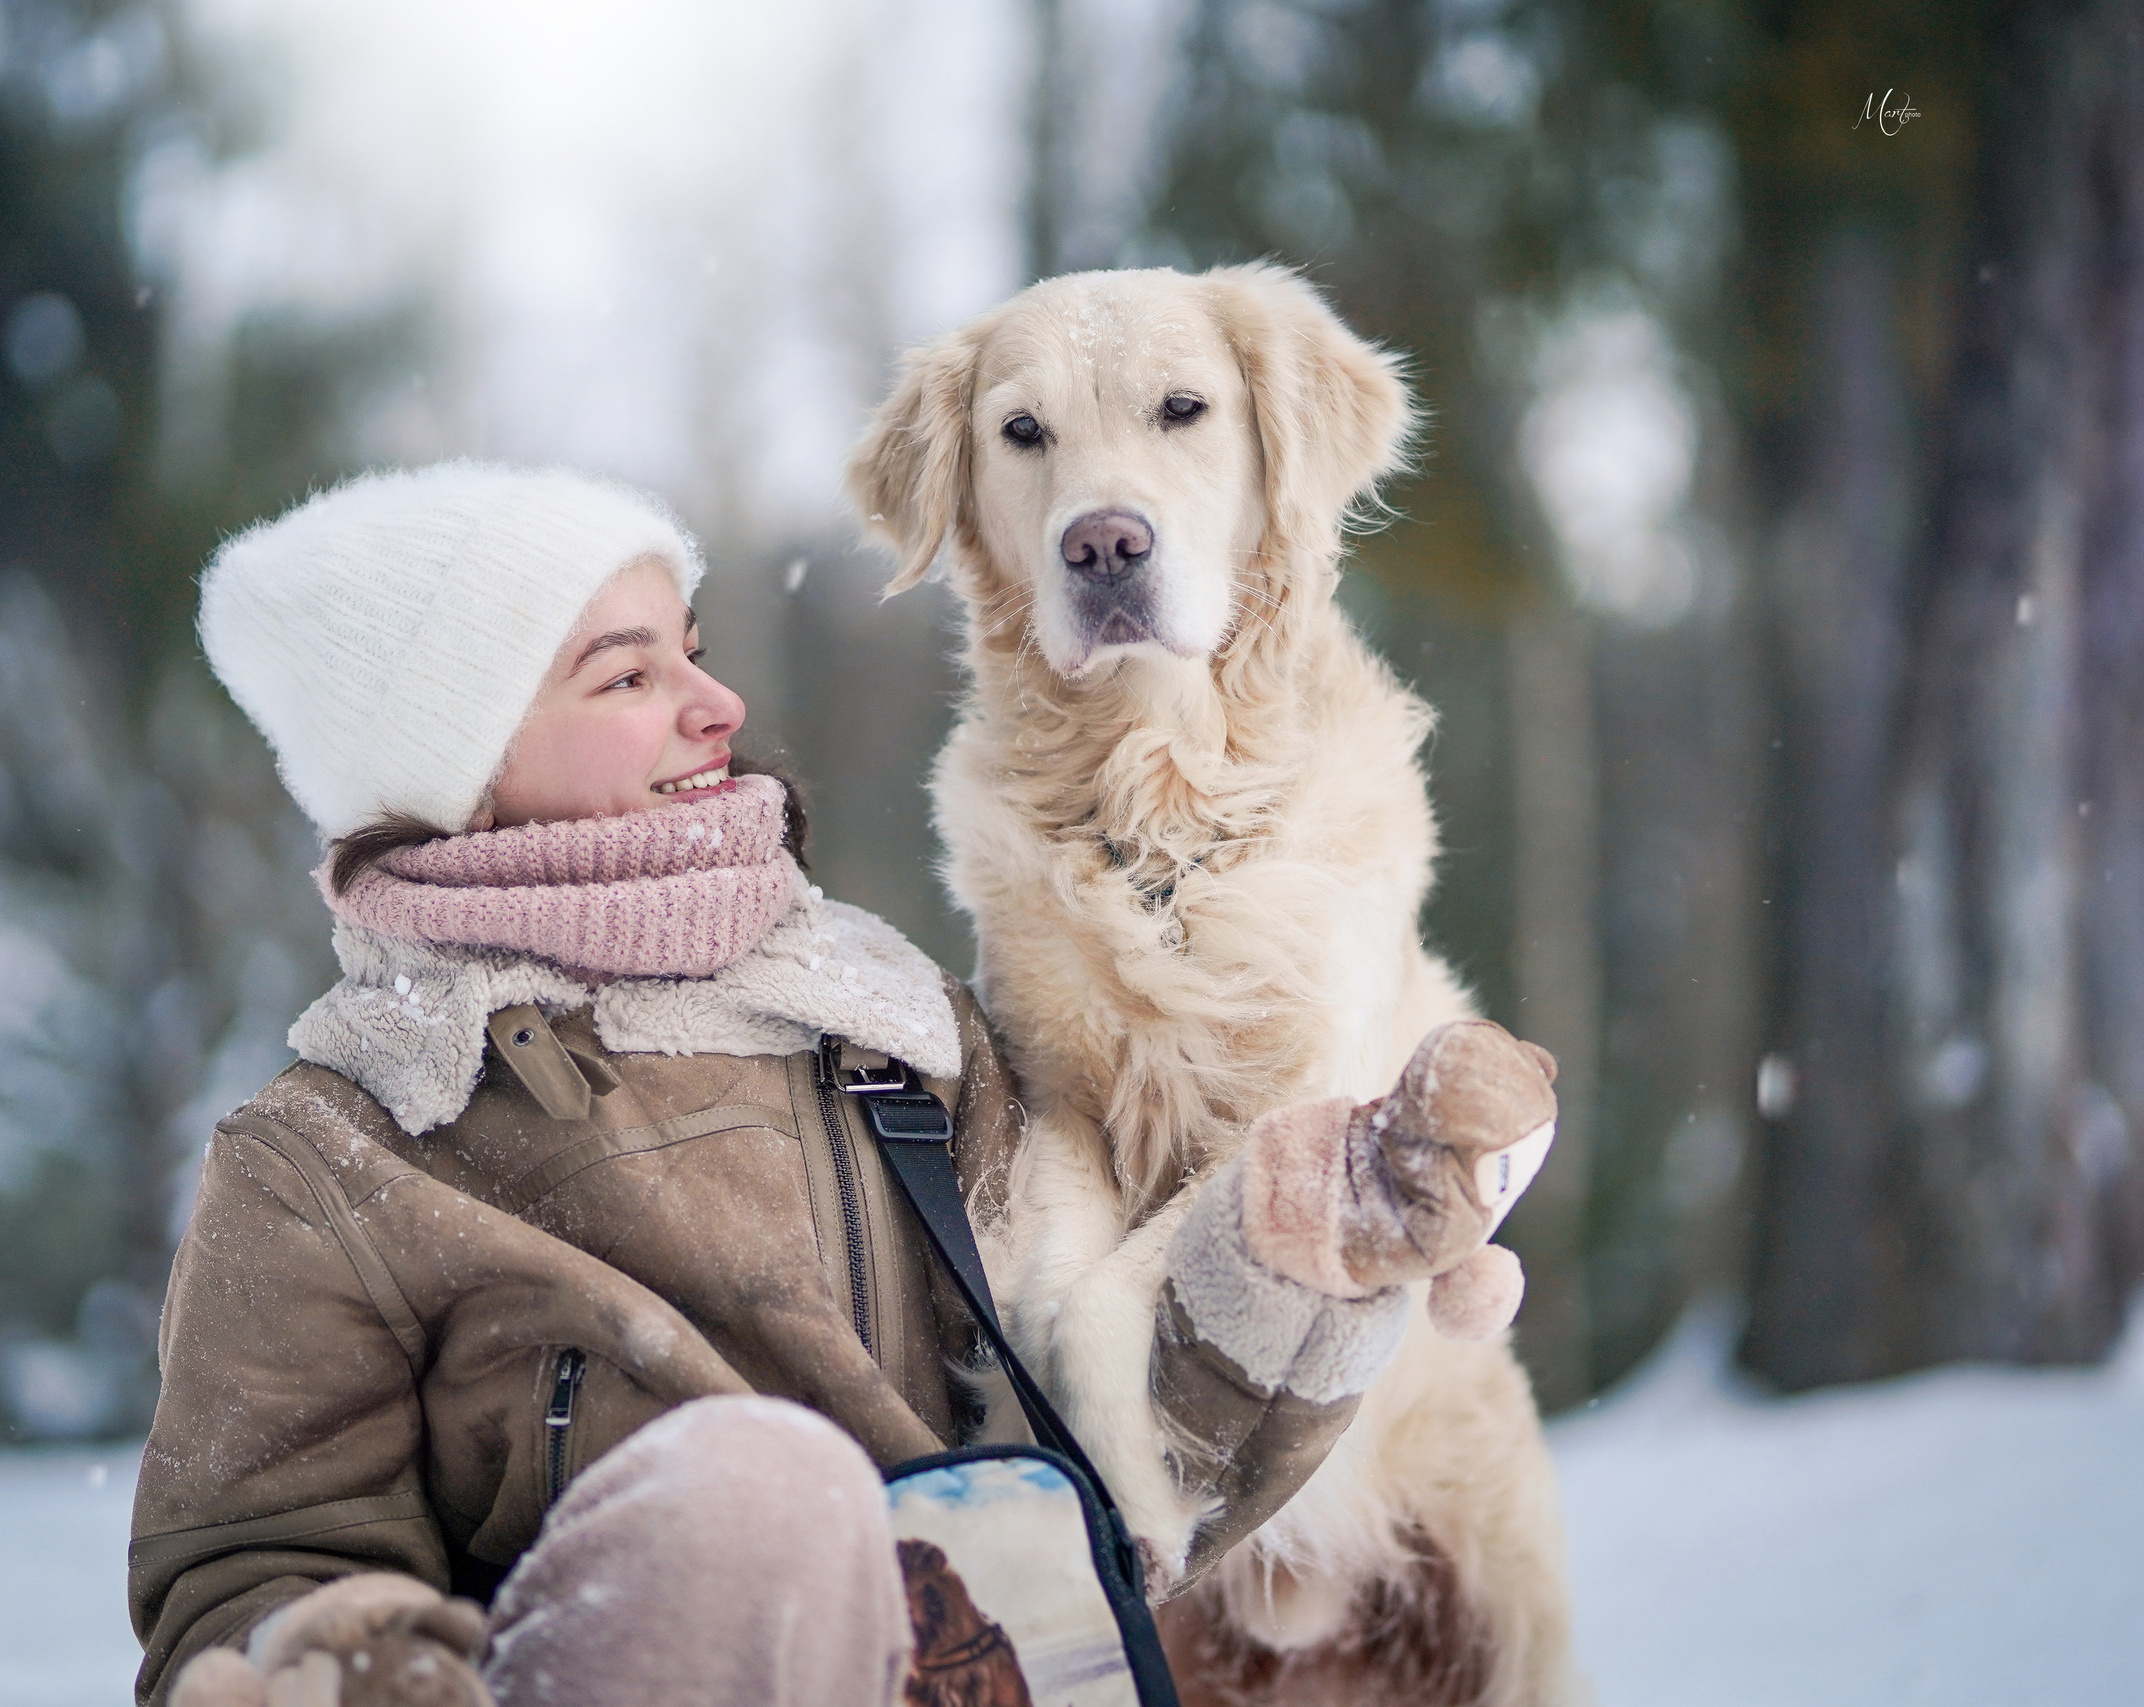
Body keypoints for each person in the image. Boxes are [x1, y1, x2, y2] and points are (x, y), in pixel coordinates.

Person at [133, 463, 1556, 1707]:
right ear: (457, 772)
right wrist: (345, 1654)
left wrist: (1301, 1246)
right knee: (758, 1493)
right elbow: (249, 1565)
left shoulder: (885, 1029)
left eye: (692, 654)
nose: (717, 706)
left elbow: (1099, 1460)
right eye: (629, 678)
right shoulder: (336, 1150)